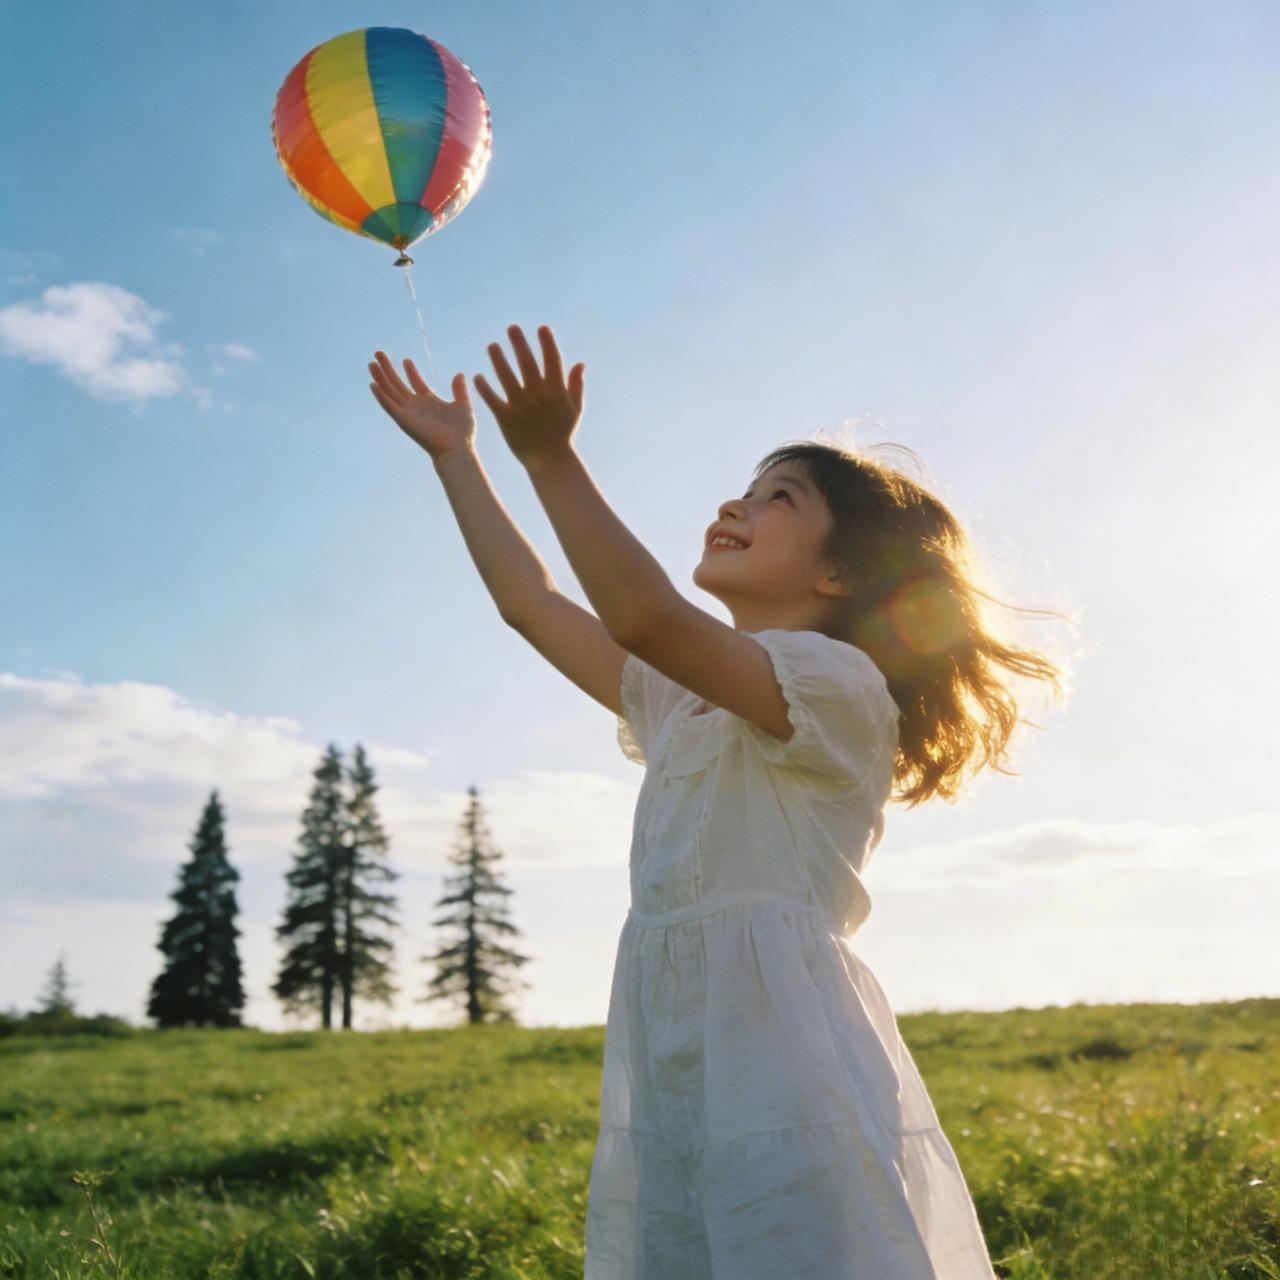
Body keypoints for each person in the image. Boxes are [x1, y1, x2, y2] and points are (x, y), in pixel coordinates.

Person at [367, 325, 1067, 1278]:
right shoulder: (678, 694)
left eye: (779, 498)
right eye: (746, 485)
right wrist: (460, 459)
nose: (736, 504)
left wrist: (552, 456)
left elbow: (644, 614)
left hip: (785, 1050)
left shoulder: (838, 684)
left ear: (840, 575)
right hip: (677, 1041)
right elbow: (531, 603)